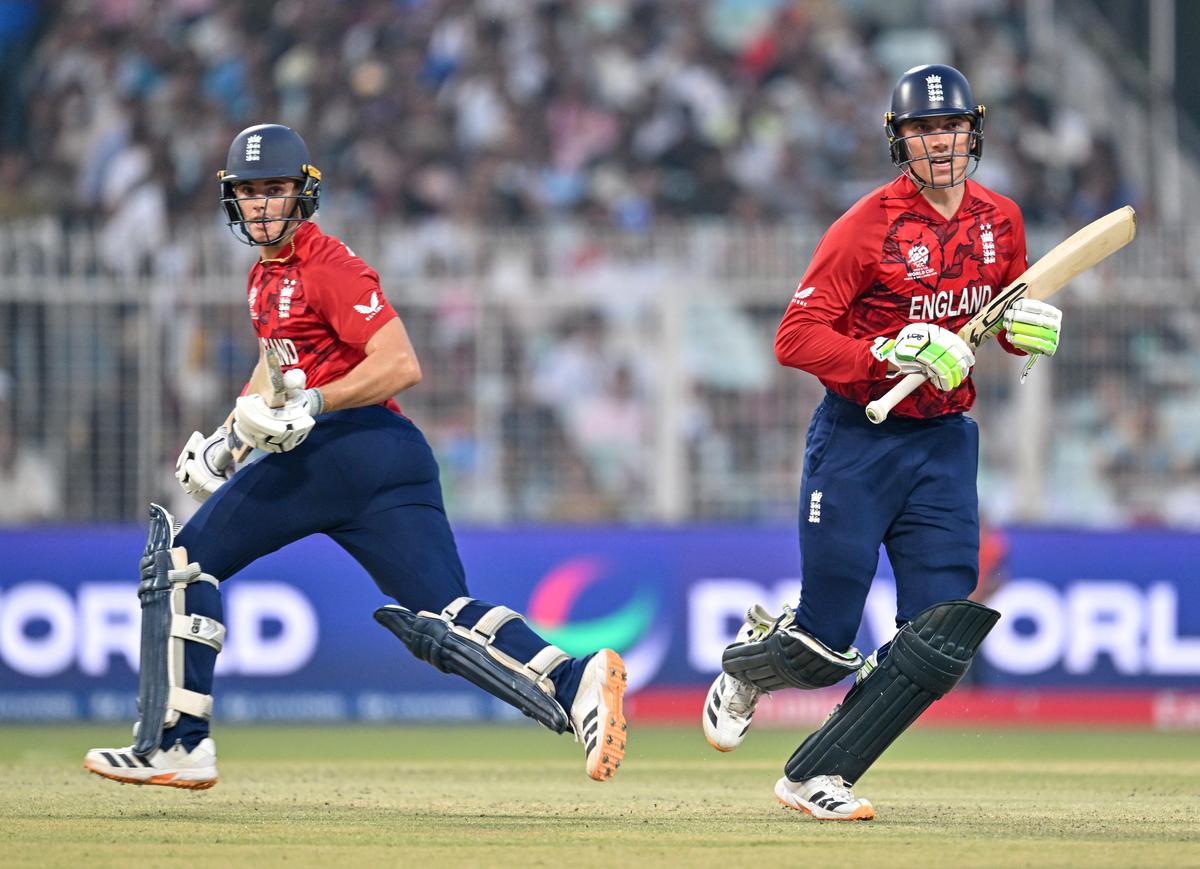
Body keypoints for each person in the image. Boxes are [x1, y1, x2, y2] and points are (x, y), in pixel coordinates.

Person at [84, 124, 628, 789]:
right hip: (385, 456)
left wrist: (312, 404)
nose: (261, 206)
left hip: (342, 449)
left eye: (275, 190)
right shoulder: (264, 279)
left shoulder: (326, 264)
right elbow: (275, 369)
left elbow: (400, 362)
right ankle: (576, 677)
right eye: (250, 192)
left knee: (182, 565)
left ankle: (180, 741)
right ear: (232, 199)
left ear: (303, 194)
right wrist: (229, 438)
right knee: (445, 613)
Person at [701, 64, 1063, 820]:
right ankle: (746, 665)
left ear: (976, 131)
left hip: (943, 445)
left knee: (940, 639)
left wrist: (1026, 332)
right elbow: (794, 337)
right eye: (924, 130)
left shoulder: (1001, 219)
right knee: (824, 644)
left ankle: (818, 773)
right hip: (859, 439)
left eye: (952, 127)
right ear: (900, 141)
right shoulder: (866, 227)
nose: (941, 143)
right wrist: (889, 353)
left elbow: (1001, 315)